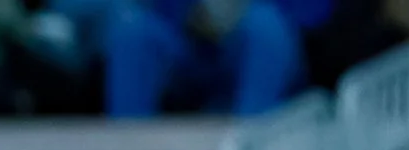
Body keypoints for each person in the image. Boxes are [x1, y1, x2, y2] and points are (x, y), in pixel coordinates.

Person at [101, 1, 309, 119]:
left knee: (266, 27)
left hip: (249, 42)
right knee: (132, 35)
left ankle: (251, 143)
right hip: (184, 37)